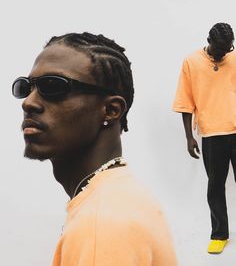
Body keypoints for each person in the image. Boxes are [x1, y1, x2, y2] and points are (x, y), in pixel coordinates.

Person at [12, 32, 177, 265]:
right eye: (26, 87)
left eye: (53, 86)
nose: (28, 102)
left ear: (111, 110)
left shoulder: (102, 223)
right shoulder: (117, 196)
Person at [173, 22, 236, 254]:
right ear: (209, 41)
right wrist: (189, 137)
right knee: (215, 187)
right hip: (212, 134)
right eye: (220, 50)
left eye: (228, 49)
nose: (223, 54)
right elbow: (185, 102)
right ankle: (219, 234)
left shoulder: (234, 59)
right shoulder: (192, 62)